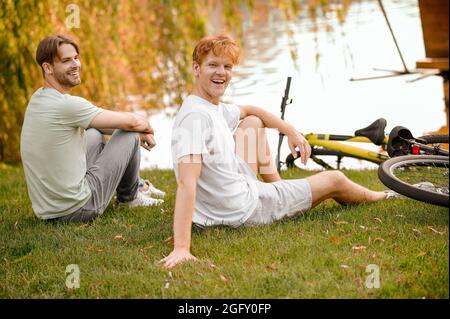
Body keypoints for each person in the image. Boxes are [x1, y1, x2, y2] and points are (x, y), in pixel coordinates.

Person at [160, 34, 396, 269]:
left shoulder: (206, 105)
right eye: (213, 65)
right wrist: (182, 248)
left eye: (227, 66)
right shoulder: (195, 119)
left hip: (226, 199)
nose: (221, 72)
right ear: (196, 68)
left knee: (252, 122)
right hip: (240, 210)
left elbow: (251, 110)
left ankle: (278, 187)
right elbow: (186, 183)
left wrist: (290, 130)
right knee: (335, 180)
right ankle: (385, 196)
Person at [20, 34, 165, 223]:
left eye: (76, 58)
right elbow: (130, 123)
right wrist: (144, 129)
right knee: (128, 134)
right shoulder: (67, 105)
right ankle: (130, 198)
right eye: (66, 61)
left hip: (49, 209)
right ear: (47, 68)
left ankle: (138, 185)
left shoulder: (39, 98)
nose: (75, 65)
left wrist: (138, 129)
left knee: (94, 134)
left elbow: (108, 125)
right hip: (79, 209)